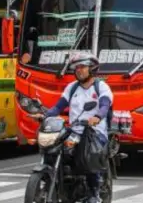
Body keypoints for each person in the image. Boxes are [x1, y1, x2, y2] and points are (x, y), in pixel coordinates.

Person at [31, 52, 113, 203]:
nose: (79, 70)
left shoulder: (101, 87)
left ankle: (94, 193)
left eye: (82, 67)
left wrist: (97, 117)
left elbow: (104, 105)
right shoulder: (71, 88)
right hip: (74, 130)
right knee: (53, 148)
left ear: (92, 68)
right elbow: (58, 107)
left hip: (94, 132)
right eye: (76, 67)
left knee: (86, 154)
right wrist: (45, 116)